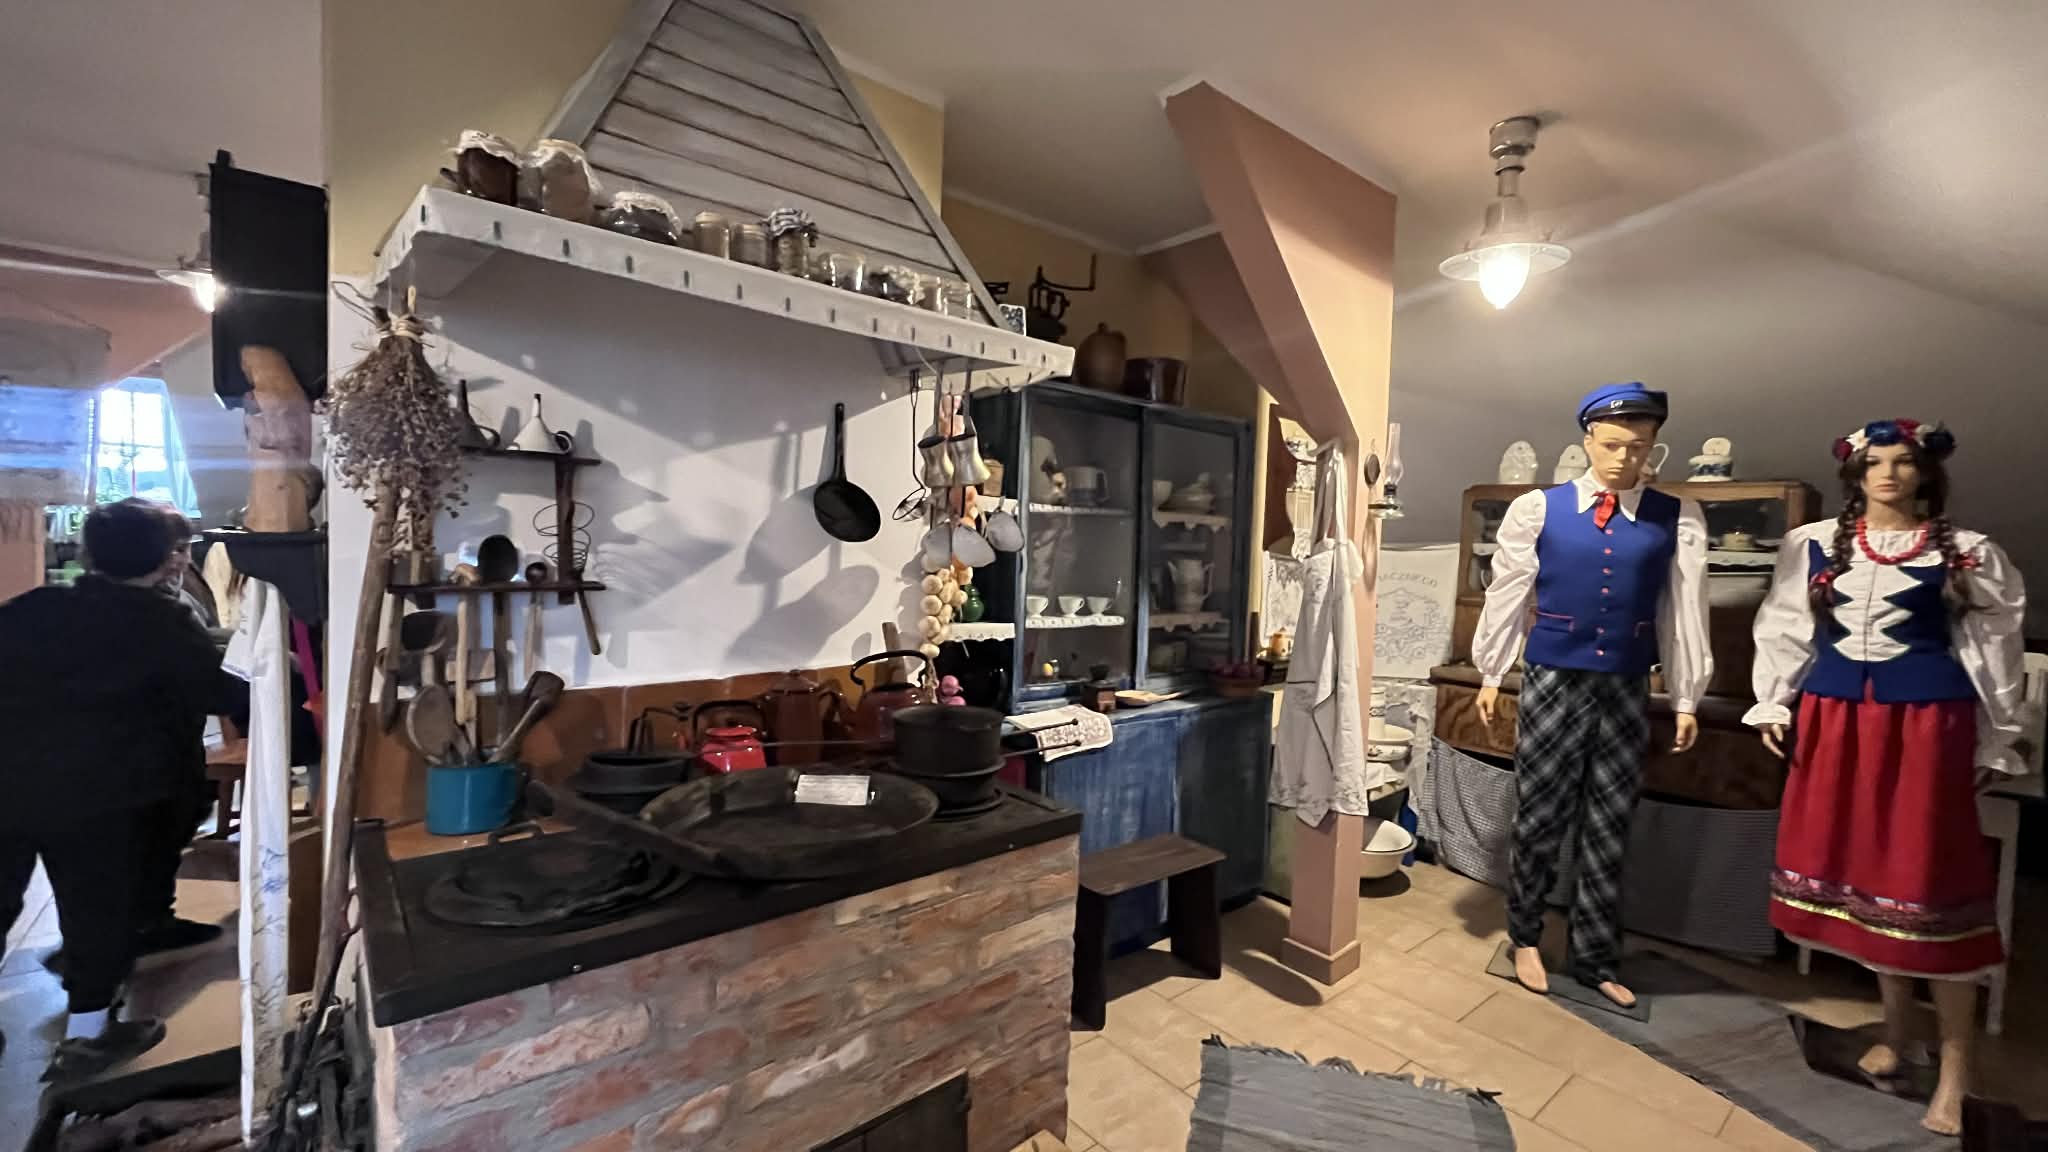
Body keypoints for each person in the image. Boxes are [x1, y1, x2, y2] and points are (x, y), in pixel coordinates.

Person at [1745, 419, 2024, 1136]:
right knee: (1871, 882)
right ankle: (1898, 1034)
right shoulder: (1813, 545)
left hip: (1925, 728)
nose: (1890, 474)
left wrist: (1999, 735)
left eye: (1904, 462)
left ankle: (1957, 1071)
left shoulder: (1965, 553)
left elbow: (1992, 645)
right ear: (1856, 473)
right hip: (1836, 722)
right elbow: (1785, 626)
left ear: (1925, 473)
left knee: (1928, 885)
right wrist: (1774, 698)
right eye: (1876, 462)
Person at [1472, 382, 1711, 1009]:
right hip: (1553, 677)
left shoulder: (1675, 517)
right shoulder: (1539, 509)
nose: (1624, 458)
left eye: (1639, 447)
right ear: (1588, 440)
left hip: (1627, 683)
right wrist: (1492, 673)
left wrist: (1685, 696)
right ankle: (1525, 936)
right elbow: (1508, 593)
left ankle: (1596, 956)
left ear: (1654, 446)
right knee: (1539, 812)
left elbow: (1683, 610)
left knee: (1610, 820)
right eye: (1612, 444)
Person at [0, 500, 233, 1078]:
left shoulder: (32, 607)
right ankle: (87, 1037)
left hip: (9, 778)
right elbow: (213, 692)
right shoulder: (161, 621)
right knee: (97, 910)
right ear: (162, 556)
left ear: (89, 554)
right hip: (97, 792)